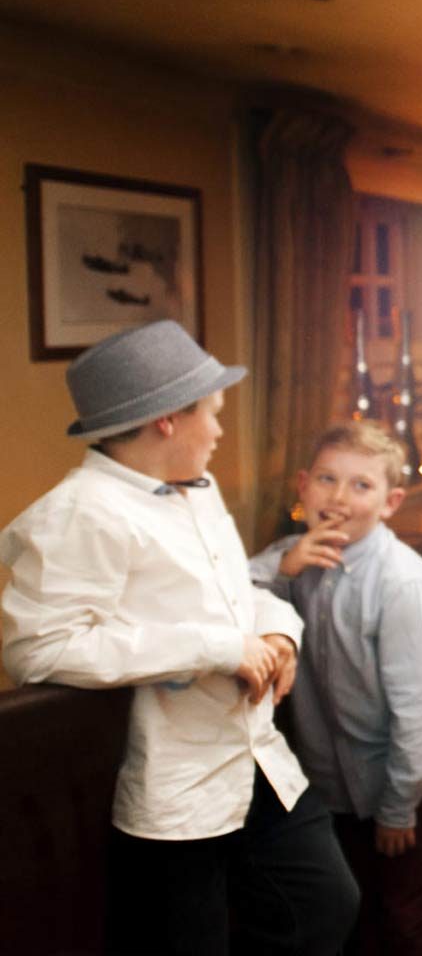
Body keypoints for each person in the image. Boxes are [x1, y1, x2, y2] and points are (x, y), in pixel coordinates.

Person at [0, 320, 359, 954]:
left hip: (254, 755)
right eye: (213, 414)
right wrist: (215, 648)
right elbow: (36, 650)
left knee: (325, 902)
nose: (221, 431)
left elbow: (234, 590)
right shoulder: (80, 512)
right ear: (167, 420)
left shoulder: (198, 488)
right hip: (175, 788)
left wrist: (278, 631)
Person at [249, 421, 422, 956]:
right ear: (302, 486)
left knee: (407, 911)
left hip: (419, 769)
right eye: (327, 479)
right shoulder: (293, 558)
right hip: (339, 772)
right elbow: (229, 595)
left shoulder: (403, 585)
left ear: (391, 501)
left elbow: (418, 712)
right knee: (357, 902)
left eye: (361, 485)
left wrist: (399, 807)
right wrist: (281, 565)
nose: (339, 497)